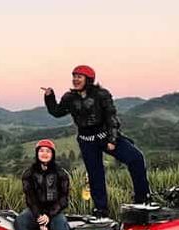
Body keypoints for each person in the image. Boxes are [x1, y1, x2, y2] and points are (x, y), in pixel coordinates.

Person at [43, 65, 150, 220]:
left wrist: (112, 139)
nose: (75, 79)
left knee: (136, 158)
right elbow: (57, 112)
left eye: (79, 77)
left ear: (88, 79)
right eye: (74, 76)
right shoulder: (69, 98)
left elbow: (111, 117)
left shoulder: (101, 94)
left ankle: (143, 199)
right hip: (86, 140)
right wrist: (49, 97)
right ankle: (101, 210)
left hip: (106, 135)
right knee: (95, 175)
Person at [15, 139, 78, 230]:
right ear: (37, 153)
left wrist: (48, 217)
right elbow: (30, 198)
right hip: (35, 211)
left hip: (54, 212)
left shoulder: (61, 173)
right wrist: (40, 219)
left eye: (48, 151)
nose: (44, 154)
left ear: (52, 154)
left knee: (63, 225)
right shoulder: (28, 174)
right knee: (20, 221)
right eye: (41, 151)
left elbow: (63, 199)